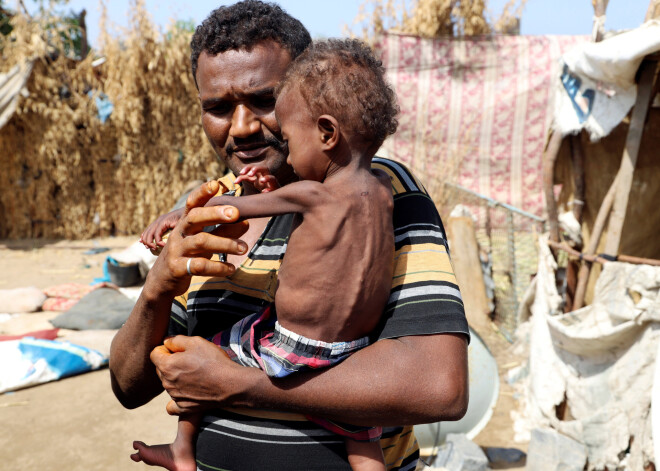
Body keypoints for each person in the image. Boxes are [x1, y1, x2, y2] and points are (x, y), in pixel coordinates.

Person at [109, 2, 470, 470]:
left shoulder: (381, 195)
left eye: (264, 101)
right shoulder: (206, 212)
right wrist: (158, 287)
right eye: (218, 108)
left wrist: (242, 385)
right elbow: (129, 387)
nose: (240, 128)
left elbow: (440, 387)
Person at [131, 38, 400, 471]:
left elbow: (230, 209)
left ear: (327, 133)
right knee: (363, 443)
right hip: (351, 358)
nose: (288, 152)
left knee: (193, 356)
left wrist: (180, 213)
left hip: (286, 346)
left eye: (290, 140)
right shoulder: (386, 195)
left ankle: (183, 447)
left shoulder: (313, 194)